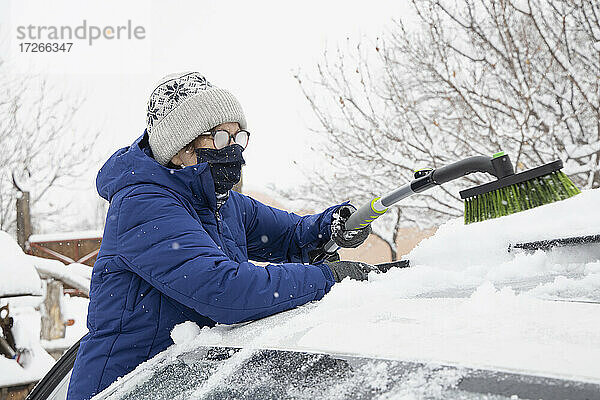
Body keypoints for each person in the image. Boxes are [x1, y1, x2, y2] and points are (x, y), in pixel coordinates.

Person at [66, 72, 373, 400]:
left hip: (184, 382)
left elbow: (293, 236)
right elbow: (225, 292)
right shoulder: (142, 204)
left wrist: (333, 225)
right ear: (181, 147)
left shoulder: (224, 204)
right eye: (221, 138)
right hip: (123, 387)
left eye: (238, 137)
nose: (235, 150)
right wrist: (329, 279)